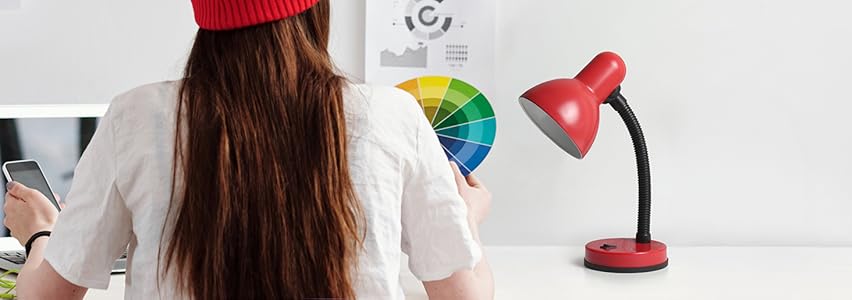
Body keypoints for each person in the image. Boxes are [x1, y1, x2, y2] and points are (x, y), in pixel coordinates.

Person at [1, 0, 494, 299]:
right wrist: (465, 219)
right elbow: (465, 297)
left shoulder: (135, 116)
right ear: (316, 10)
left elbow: (47, 297)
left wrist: (41, 233)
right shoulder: (393, 115)